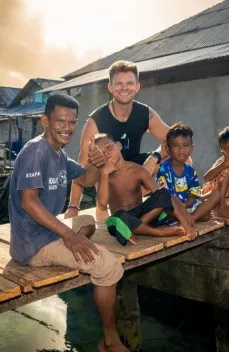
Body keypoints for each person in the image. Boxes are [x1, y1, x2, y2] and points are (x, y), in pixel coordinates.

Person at [8, 94, 128, 352]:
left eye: (72, 122)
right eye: (60, 120)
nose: (67, 127)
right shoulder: (35, 151)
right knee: (108, 267)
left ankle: (72, 244)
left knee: (86, 221)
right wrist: (69, 236)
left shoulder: (59, 154)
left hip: (45, 233)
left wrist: (96, 164)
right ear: (45, 120)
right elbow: (29, 202)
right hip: (32, 244)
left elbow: (85, 179)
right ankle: (109, 340)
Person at [66, 60, 177, 221]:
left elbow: (175, 142)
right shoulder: (95, 121)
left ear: (137, 87)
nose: (124, 88)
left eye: (130, 83)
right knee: (98, 165)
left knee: (179, 154)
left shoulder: (145, 114)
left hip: (136, 171)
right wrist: (73, 206)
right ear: (110, 87)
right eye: (119, 84)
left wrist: (157, 155)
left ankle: (173, 203)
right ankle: (106, 209)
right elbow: (81, 169)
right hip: (110, 176)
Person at [94, 133, 198, 242]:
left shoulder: (137, 170)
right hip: (123, 219)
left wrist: (184, 223)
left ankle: (137, 228)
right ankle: (159, 232)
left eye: (108, 147)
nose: (105, 153)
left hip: (145, 216)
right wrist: (105, 173)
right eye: (101, 153)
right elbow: (102, 204)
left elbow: (163, 195)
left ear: (119, 146)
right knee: (114, 220)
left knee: (164, 193)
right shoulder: (103, 175)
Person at [156, 122, 229, 221]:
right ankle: (192, 217)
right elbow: (165, 198)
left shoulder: (190, 171)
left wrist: (186, 205)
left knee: (216, 194)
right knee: (165, 210)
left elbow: (193, 195)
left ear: (192, 148)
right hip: (172, 210)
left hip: (187, 206)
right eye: (176, 146)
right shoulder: (163, 170)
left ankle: (192, 218)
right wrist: (181, 208)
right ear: (168, 149)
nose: (181, 150)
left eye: (185, 145)